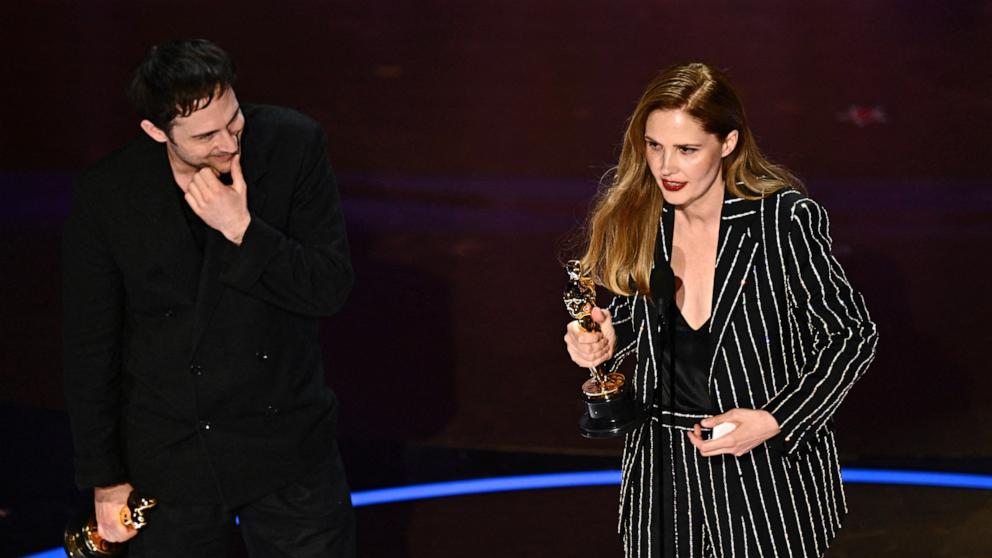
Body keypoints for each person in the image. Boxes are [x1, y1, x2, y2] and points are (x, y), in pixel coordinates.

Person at [564, 62, 878, 557]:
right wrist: (605, 337)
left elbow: (850, 335)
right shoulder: (644, 219)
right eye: (654, 146)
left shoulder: (782, 221)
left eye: (687, 150)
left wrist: (775, 420)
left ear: (728, 144)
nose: (666, 167)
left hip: (761, 473)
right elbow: (642, 320)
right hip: (661, 473)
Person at [62, 39, 355, 557]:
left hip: (285, 445)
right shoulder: (109, 194)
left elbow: (328, 288)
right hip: (173, 455)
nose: (228, 142)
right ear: (156, 132)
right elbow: (91, 344)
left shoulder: (293, 145)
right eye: (204, 135)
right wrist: (104, 479)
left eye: (233, 120)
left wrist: (242, 228)